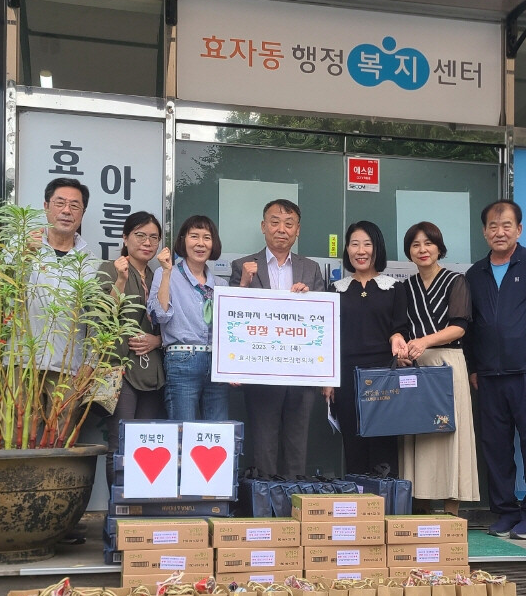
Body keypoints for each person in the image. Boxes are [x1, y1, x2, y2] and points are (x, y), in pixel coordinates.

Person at [465, 199, 526, 540]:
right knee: (495, 447)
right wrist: (474, 367)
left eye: (506, 225)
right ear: (484, 232)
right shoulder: (474, 274)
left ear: (519, 229)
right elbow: (470, 326)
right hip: (488, 376)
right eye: (493, 226)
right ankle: (506, 512)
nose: (500, 232)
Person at [229, 198, 324, 478]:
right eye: (275, 222)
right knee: (264, 445)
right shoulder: (243, 266)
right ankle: (265, 501)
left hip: (301, 373)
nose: (281, 229)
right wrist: (244, 284)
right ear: (263, 226)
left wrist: (309, 298)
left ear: (298, 230)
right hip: (261, 372)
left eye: (289, 223)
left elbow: (323, 322)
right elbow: (233, 317)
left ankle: (294, 497)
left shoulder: (311, 269)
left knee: (297, 446)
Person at [398, 221, 479, 514]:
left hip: (448, 363)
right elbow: (400, 328)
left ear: (439, 248)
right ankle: (420, 509)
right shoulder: (405, 287)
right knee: (420, 436)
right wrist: (404, 351)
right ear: (409, 251)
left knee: (449, 435)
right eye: (416, 244)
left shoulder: (456, 281)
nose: (423, 250)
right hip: (417, 367)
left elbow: (459, 327)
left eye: (428, 243)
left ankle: (451, 511)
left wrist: (424, 341)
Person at [325, 221, 407, 475]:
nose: (360, 251)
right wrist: (328, 380)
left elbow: (400, 327)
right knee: (353, 443)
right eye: (354, 244)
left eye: (367, 244)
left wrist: (397, 337)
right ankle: (358, 496)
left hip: (384, 376)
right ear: (347, 249)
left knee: (384, 445)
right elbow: (329, 338)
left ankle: (385, 497)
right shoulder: (336, 290)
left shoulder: (394, 288)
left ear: (377, 248)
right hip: (347, 377)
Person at [98, 212, 165, 488]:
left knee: (145, 443)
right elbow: (101, 316)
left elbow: (172, 321)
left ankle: (139, 504)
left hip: (153, 370)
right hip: (120, 367)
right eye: (140, 235)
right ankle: (117, 507)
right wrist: (121, 281)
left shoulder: (158, 276)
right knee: (120, 442)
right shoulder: (110, 268)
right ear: (125, 238)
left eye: (153, 237)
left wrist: (157, 340)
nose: (147, 242)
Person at [26, 177, 97, 433]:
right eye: (60, 203)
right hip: (22, 362)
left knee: (58, 442)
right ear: (46, 206)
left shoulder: (90, 262)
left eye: (74, 206)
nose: (67, 211)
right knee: (17, 440)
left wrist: (90, 362)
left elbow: (95, 318)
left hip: (68, 368)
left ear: (82, 213)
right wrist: (25, 256)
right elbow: (1, 296)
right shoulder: (22, 246)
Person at [148, 214, 229, 422]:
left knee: (218, 431)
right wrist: (166, 272)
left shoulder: (221, 284)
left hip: (217, 363)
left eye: (207, 237)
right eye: (194, 236)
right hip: (182, 358)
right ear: (183, 240)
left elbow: (229, 329)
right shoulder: (166, 274)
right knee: (183, 429)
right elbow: (160, 315)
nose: (201, 243)